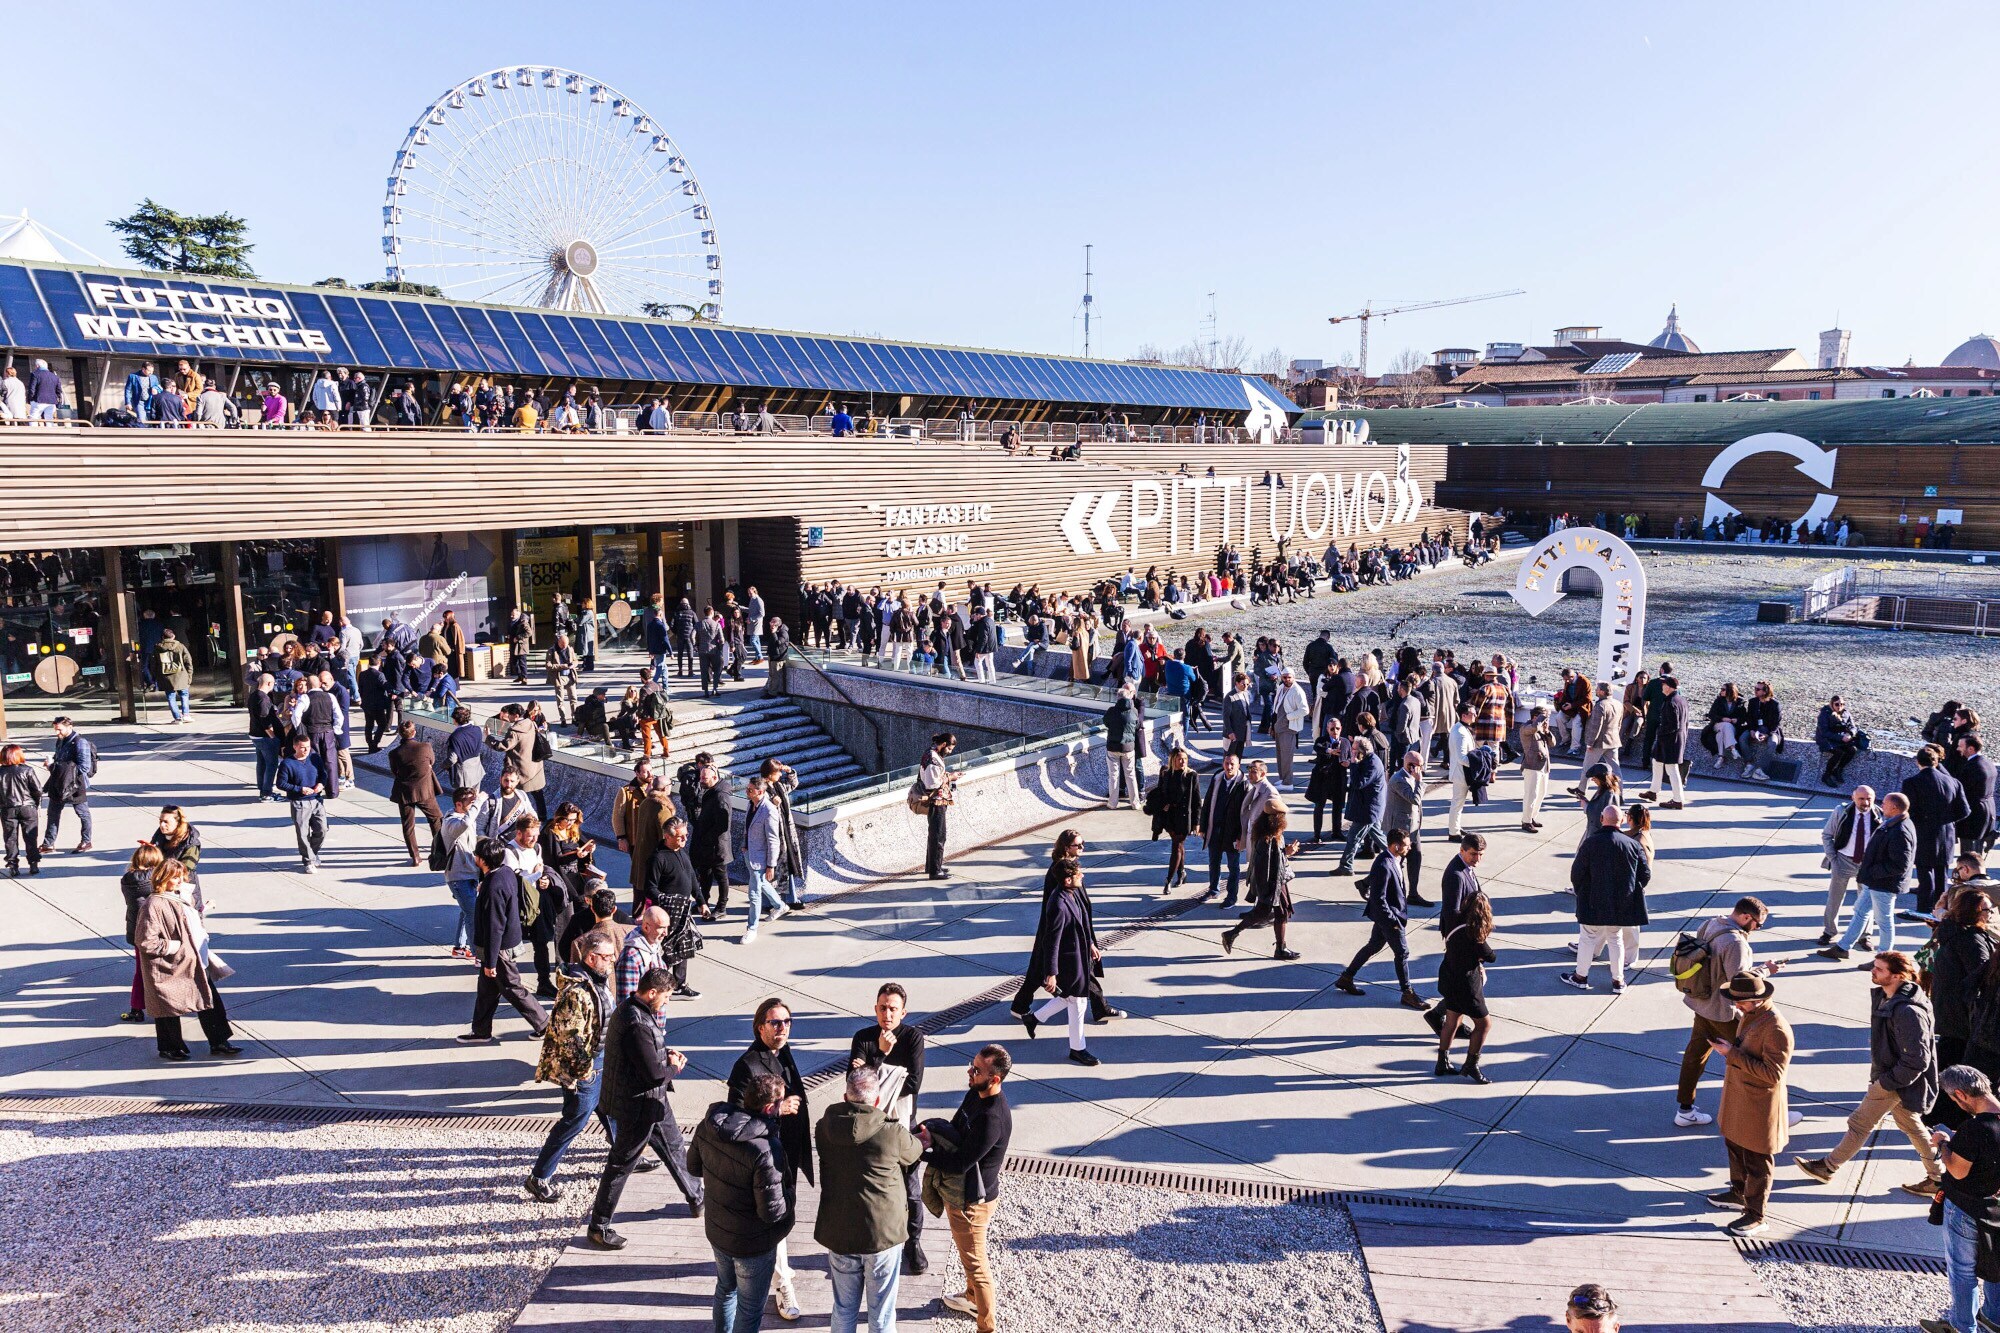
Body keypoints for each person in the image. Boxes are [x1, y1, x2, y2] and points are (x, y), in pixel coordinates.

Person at [1795, 951, 1943, 1197]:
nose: (1873, 972)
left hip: (1894, 1081)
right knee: (1912, 1126)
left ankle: (1828, 1167)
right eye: (1874, 967)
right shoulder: (1889, 998)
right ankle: (1938, 1179)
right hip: (1894, 1078)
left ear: (1897, 975)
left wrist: (1884, 1083)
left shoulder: (1907, 1011)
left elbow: (1917, 1059)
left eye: (1879, 969)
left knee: (1859, 1123)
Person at [586, 966, 702, 1248]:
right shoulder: (636, 1022)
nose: (667, 1001)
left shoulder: (629, 1008)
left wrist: (663, 1052)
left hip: (651, 1102)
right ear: (652, 992)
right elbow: (653, 1074)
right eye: (666, 996)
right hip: (637, 1107)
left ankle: (697, 1197)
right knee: (621, 1164)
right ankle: (598, 1226)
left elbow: (643, 1055)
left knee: (674, 1145)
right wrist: (674, 1066)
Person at [816, 1064, 924, 1333]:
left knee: (843, 1307)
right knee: (882, 1315)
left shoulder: (824, 1128)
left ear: (845, 1097)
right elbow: (915, 1152)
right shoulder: (891, 1133)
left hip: (839, 1231)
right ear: (877, 1100)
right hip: (882, 1235)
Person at [688, 1070, 794, 1333]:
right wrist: (790, 1193)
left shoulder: (708, 1126)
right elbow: (772, 1213)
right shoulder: (766, 1150)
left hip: (718, 1231)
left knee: (725, 1290)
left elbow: (693, 1167)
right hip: (752, 1244)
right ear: (770, 1108)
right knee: (749, 1308)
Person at [729, 998, 814, 1321]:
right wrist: (777, 1110)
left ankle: (772, 1272)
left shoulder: (784, 1053)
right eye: (775, 1023)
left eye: (787, 1022)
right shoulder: (747, 1066)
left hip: (786, 1153)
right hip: (763, 1158)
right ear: (759, 1026)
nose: (782, 1029)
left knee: (779, 1219)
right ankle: (782, 1283)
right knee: (774, 1221)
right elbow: (735, 1121)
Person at [918, 1045, 1014, 1333]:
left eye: (977, 1070)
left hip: (972, 1200)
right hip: (963, 1193)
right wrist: (931, 1135)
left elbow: (960, 1162)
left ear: (995, 1079)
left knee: (976, 1264)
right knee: (967, 1253)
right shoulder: (976, 1093)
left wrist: (921, 1153)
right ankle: (971, 1297)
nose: (969, 1073)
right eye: (971, 1066)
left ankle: (987, 1327)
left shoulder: (991, 1119)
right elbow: (957, 1129)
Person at [525, 933, 617, 1199]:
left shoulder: (597, 982)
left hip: (601, 1061)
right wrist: (585, 1072)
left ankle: (624, 1153)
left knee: (610, 1110)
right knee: (574, 1121)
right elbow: (570, 1039)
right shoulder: (576, 993)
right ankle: (539, 1177)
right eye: (608, 957)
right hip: (586, 1069)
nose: (612, 961)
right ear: (591, 958)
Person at [849, 982, 928, 1276]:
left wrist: (871, 1066)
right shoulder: (863, 1037)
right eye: (882, 1008)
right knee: (870, 1187)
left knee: (911, 1190)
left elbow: (913, 1084)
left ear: (903, 1012)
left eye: (893, 1009)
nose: (887, 1014)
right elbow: (855, 1084)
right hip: (869, 1128)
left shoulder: (913, 1039)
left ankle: (914, 1243)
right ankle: (872, 1238)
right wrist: (881, 1057)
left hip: (902, 1127)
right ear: (875, 1009)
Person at [1707, 971, 1794, 1237]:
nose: (1736, 1006)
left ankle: (1756, 1216)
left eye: (1740, 1002)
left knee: (1757, 1161)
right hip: (1741, 1098)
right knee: (1733, 1144)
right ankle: (1737, 1193)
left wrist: (1730, 1053)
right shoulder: (1752, 1015)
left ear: (1757, 1000)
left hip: (1759, 1105)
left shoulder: (1776, 1028)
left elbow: (1774, 1074)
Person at [1676, 897, 1774, 1128]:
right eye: (1758, 924)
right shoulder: (1735, 943)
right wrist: (1766, 970)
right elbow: (1739, 984)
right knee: (1753, 1062)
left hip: (1701, 1003)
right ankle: (1769, 1112)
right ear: (1746, 917)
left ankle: (1685, 1110)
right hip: (1723, 1012)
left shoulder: (1711, 924)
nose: (1758, 929)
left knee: (1694, 1057)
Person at [134, 860, 241, 1060]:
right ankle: (170, 1047)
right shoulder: (154, 904)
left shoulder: (180, 898)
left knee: (210, 1001)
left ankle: (219, 1041)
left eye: (181, 877)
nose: (179, 881)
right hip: (169, 965)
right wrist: (173, 947)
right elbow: (145, 941)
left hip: (194, 962)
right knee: (167, 1007)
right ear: (162, 878)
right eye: (174, 877)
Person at [1925, 1065, 2000, 1333]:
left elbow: (1957, 1169)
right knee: (1995, 1266)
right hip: (1996, 1208)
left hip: (1966, 1209)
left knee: (1962, 1271)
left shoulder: (1974, 1129)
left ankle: (1961, 1327)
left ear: (1960, 1094)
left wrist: (1944, 1143)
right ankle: (1993, 1318)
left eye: (1954, 1099)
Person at [457, 837, 549, 1044]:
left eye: (476, 855)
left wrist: (490, 962)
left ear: (482, 860)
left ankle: (544, 1024)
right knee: (486, 991)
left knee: (512, 987)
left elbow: (494, 927)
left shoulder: (493, 887)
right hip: (503, 943)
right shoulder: (505, 873)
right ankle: (481, 1031)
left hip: (499, 949)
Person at [1019, 854, 1103, 1065]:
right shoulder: (1058, 904)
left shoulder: (1072, 893)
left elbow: (1082, 923)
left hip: (1080, 957)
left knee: (1071, 997)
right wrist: (1051, 973)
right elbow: (1051, 941)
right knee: (1078, 1001)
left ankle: (1034, 1018)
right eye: (1077, 874)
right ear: (1067, 880)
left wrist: (1091, 944)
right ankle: (1077, 1049)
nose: (1082, 875)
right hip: (1069, 962)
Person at [1819, 791, 1918, 960]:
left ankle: (1883, 958)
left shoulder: (1900, 830)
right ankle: (1843, 947)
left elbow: (1899, 865)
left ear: (1894, 807)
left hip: (1883, 884)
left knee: (1884, 921)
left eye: (1885, 803)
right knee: (1860, 911)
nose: (1881, 805)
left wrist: (1871, 872)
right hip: (1873, 881)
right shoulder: (1893, 822)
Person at [1563, 806, 1651, 993]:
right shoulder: (1632, 844)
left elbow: (1576, 873)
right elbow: (1645, 875)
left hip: (1593, 901)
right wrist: (1630, 891)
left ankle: (1580, 977)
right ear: (1621, 821)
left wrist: (1583, 892)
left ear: (1602, 818)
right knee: (1616, 938)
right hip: (1621, 903)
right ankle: (1618, 981)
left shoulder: (1590, 843)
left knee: (1587, 938)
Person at [1336, 828, 1425, 1009]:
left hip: (1388, 917)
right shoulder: (1384, 864)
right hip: (1390, 919)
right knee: (1402, 953)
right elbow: (1378, 899)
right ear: (1395, 846)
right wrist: (1393, 921)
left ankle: (1346, 977)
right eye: (1407, 846)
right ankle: (1407, 993)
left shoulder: (1396, 859)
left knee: (1373, 945)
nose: (1409, 848)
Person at [1930, 891, 1994, 1131]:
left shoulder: (1951, 931)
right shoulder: (1971, 940)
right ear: (1973, 912)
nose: (1990, 914)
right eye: (1986, 910)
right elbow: (1984, 977)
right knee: (1958, 1073)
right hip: (1963, 1019)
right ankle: (1945, 1119)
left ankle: (1935, 1115)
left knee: (1947, 1065)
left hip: (1949, 1015)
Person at [1221, 805, 1300, 962]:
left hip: (1276, 881)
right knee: (1265, 912)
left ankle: (1280, 948)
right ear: (1277, 820)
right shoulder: (1267, 839)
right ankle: (1232, 934)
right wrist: (1287, 853)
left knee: (1280, 914)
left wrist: (1285, 852)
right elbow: (1268, 864)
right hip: (1272, 884)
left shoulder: (1269, 834)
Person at [639, 817, 705, 999]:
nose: (685, 839)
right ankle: (660, 985)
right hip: (666, 914)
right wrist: (664, 900)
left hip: (683, 911)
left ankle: (679, 985)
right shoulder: (658, 858)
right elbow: (650, 887)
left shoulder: (682, 853)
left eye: (686, 835)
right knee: (665, 951)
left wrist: (701, 901)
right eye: (681, 837)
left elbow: (691, 877)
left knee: (682, 949)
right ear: (667, 837)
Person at [1435, 890, 1496, 1083]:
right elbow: (1491, 956)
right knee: (1484, 1024)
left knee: (1452, 1020)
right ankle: (1471, 1064)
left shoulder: (1455, 923)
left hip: (1448, 979)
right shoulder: (1475, 934)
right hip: (1467, 987)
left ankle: (1442, 1061)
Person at [1907, 745, 1974, 915]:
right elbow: (1965, 810)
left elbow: (1909, 810)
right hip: (1946, 834)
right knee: (1941, 873)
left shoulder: (1911, 782)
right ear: (1936, 762)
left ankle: (1923, 908)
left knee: (1924, 871)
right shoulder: (1953, 781)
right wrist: (1946, 821)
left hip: (1924, 832)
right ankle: (1941, 908)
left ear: (1917, 762)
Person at [1818, 785, 1880, 949]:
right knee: (1835, 898)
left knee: (1866, 901)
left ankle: (1865, 936)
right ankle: (1829, 931)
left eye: (1869, 799)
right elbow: (1827, 835)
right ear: (1853, 798)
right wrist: (1833, 858)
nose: (1865, 802)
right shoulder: (1841, 811)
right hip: (1843, 860)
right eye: (1861, 799)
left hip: (1867, 863)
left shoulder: (1880, 815)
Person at [741, 777, 794, 944]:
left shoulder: (769, 811)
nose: (746, 792)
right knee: (762, 883)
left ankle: (752, 928)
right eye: (747, 789)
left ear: (760, 792)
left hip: (761, 859)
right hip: (749, 853)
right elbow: (747, 826)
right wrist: (744, 845)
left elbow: (773, 840)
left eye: (750, 790)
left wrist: (771, 865)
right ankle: (780, 906)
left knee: (754, 894)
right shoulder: (751, 804)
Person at [386, 720, 442, 868]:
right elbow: (432, 761)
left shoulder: (394, 753)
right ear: (414, 732)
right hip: (425, 790)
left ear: (400, 734)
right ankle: (438, 852)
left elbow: (394, 771)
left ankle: (415, 856)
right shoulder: (425, 747)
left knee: (408, 825)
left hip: (404, 792)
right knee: (436, 819)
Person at [1147, 746, 1200, 892]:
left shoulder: (1191, 775)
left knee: (1176, 846)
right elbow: (1160, 792)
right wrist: (1163, 805)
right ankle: (1182, 873)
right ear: (1173, 760)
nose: (1182, 762)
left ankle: (1168, 880)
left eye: (1185, 759)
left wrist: (1197, 822)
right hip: (1169, 816)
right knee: (1179, 846)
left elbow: (1196, 800)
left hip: (1183, 818)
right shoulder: (1165, 772)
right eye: (1179, 759)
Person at [440, 787, 485, 960]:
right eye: (470, 802)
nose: (474, 804)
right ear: (459, 804)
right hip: (458, 877)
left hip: (470, 873)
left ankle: (459, 947)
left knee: (466, 911)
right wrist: (478, 802)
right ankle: (478, 955)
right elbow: (465, 824)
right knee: (473, 915)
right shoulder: (451, 822)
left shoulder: (464, 816)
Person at [40, 716, 95, 854]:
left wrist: (56, 767)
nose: (56, 733)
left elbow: (84, 768)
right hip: (59, 783)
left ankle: (86, 841)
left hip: (76, 785)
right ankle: (48, 843)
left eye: (59, 730)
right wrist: (51, 764)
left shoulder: (80, 742)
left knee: (82, 813)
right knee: (53, 813)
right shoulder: (60, 741)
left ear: (69, 727)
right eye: (55, 730)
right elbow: (58, 759)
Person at [1383, 748, 1431, 906]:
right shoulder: (1398, 779)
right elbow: (1414, 799)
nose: (1422, 769)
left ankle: (1413, 893)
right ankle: (1369, 883)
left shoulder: (1411, 777)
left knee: (1415, 858)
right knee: (1395, 861)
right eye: (1420, 766)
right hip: (1399, 829)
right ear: (1411, 766)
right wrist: (1419, 781)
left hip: (1412, 829)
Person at [1198, 751, 1247, 906]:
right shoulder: (1218, 778)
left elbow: (1246, 814)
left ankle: (1232, 896)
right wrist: (1203, 825)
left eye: (1232, 763)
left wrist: (1241, 836)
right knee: (1214, 862)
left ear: (1239, 765)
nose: (1229, 766)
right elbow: (1207, 804)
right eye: (1226, 763)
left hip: (1232, 833)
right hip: (1216, 830)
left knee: (1233, 866)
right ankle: (1214, 890)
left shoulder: (1244, 784)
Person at [1331, 737, 1385, 877]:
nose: (1351, 751)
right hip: (1368, 808)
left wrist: (1353, 764)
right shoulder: (1369, 760)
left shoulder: (1372, 763)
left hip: (1367, 809)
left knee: (1353, 838)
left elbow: (1359, 783)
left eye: (1354, 749)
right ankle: (1396, 855)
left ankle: (1346, 866)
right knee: (1378, 836)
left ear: (1362, 750)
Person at [275, 734, 328, 872]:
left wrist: (322, 784)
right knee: (303, 833)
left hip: (317, 800)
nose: (306, 750)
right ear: (295, 747)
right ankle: (308, 860)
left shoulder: (315, 758)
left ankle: (313, 853)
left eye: (308, 747)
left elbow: (323, 773)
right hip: (299, 802)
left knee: (322, 829)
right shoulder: (287, 763)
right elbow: (280, 783)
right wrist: (299, 789)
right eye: (303, 748)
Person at [489, 703, 549, 822]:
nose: (508, 719)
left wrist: (489, 738)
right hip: (534, 765)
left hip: (520, 768)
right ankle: (542, 816)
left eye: (510, 716)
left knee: (512, 791)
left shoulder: (514, 731)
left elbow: (504, 746)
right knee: (537, 792)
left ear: (515, 716)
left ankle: (512, 816)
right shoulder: (530, 723)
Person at [1641, 675, 1689, 809]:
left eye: (1663, 685)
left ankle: (1678, 800)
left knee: (1671, 769)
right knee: (1656, 762)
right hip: (1673, 740)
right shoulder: (1681, 700)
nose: (1661, 686)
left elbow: (1674, 725)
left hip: (1669, 741)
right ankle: (1653, 791)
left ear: (1668, 687)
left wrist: (1660, 733)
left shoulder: (1671, 702)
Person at [0, 744, 42, 877]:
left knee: (10, 838)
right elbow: (38, 790)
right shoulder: (27, 770)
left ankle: (13, 865)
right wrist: (34, 803)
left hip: (7, 808)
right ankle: (33, 863)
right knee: (30, 836)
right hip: (27, 806)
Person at [919, 733, 956, 881]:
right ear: (944, 745)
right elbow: (932, 784)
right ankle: (935, 871)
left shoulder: (931, 752)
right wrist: (950, 777)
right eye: (950, 749)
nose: (950, 752)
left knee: (934, 834)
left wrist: (947, 775)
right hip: (936, 801)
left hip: (938, 800)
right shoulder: (933, 759)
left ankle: (932, 865)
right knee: (939, 835)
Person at [1101, 684, 1142, 811]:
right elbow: (1137, 725)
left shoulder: (1111, 711)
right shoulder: (1134, 711)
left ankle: (1112, 803)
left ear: (1117, 698)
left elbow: (1106, 722)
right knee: (1130, 775)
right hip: (1129, 748)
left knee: (1113, 775)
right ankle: (1135, 803)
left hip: (1113, 747)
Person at [1959, 735, 1998, 869]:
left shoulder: (1971, 767)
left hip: (1973, 814)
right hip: (1988, 810)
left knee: (1968, 855)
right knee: (1977, 852)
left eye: (1961, 746)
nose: (1959, 749)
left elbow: (1963, 792)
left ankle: (1968, 882)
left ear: (1970, 748)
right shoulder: (1988, 763)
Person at [1271, 668, 1309, 788]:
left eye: (1289, 677)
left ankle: (1288, 782)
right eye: (1284, 677)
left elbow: (1305, 710)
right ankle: (1282, 778)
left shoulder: (1297, 691)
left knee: (1287, 756)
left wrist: (1289, 717)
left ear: (1293, 677)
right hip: (1279, 726)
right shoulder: (1281, 687)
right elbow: (1276, 705)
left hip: (1289, 727)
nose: (1287, 679)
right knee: (1280, 755)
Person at [1519, 704, 1554, 831]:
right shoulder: (1526, 727)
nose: (1547, 721)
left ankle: (1532, 817)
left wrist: (1547, 731)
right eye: (1545, 718)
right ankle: (1526, 821)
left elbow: (1553, 743)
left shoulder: (1542, 730)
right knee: (1531, 794)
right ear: (1535, 717)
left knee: (1541, 793)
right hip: (1531, 766)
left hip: (1544, 766)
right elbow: (1533, 728)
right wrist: (1541, 719)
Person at [152, 628, 195, 723]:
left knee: (171, 697)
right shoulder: (180, 646)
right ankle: (186, 715)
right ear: (173, 636)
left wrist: (156, 677)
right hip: (181, 675)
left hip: (166, 677)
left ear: (163, 637)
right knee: (184, 695)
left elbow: (154, 665)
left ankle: (177, 718)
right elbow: (188, 662)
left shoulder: (157, 648)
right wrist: (189, 676)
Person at [545, 630, 578, 726]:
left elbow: (575, 660)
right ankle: (563, 719)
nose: (564, 647)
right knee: (560, 700)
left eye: (566, 645)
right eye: (562, 645)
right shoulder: (552, 651)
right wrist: (563, 666)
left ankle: (574, 717)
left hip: (570, 676)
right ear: (558, 642)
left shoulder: (569, 649)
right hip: (559, 677)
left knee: (573, 698)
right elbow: (548, 666)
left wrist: (573, 665)